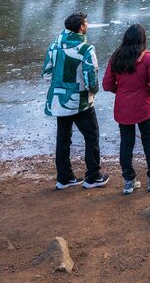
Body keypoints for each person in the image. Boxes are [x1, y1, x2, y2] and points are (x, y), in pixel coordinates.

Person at [42, 12, 107, 190]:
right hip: (80, 101)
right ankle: (93, 176)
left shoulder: (54, 46)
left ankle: (64, 178)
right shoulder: (86, 49)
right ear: (81, 27)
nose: (87, 26)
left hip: (59, 101)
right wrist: (92, 92)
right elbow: (91, 79)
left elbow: (46, 72)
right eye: (86, 23)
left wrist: (59, 85)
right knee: (91, 136)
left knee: (63, 138)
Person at [103, 24, 150, 195]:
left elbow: (107, 84)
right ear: (143, 39)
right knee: (149, 140)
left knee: (126, 142)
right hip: (144, 106)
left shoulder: (115, 58)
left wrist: (122, 91)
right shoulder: (148, 59)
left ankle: (129, 182)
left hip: (123, 107)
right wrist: (145, 91)